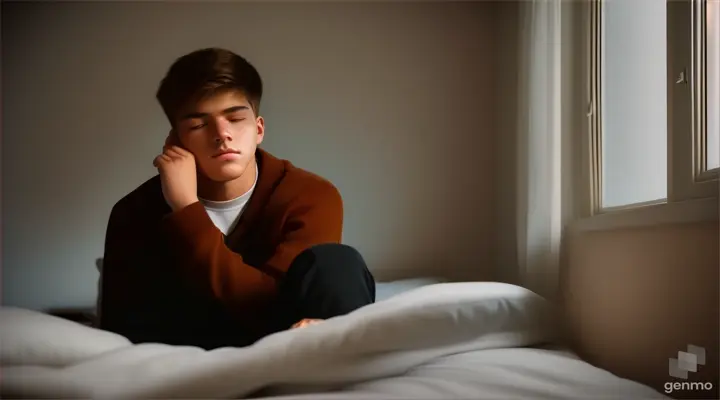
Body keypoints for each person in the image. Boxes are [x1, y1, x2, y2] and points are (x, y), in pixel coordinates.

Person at [99, 48, 376, 349]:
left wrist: (188, 212)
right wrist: (182, 206)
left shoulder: (311, 195)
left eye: (235, 118)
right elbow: (123, 329)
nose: (222, 134)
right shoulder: (133, 211)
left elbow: (267, 307)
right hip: (184, 352)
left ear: (258, 129)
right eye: (198, 124)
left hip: (288, 345)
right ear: (175, 140)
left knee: (337, 263)